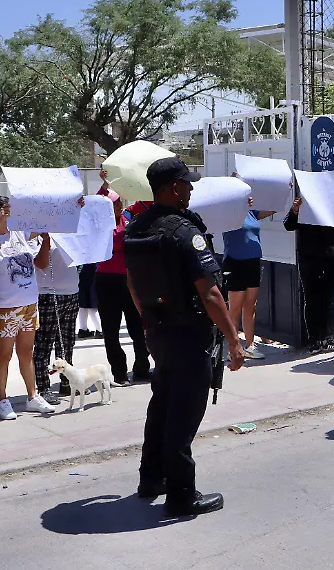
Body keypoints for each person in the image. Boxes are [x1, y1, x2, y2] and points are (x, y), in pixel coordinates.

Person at [124, 157, 244, 516]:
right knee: (184, 413)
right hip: (189, 334)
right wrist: (234, 339)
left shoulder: (137, 227)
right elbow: (209, 293)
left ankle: (151, 478)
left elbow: (132, 283)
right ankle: (181, 494)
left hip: (159, 331)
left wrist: (148, 321)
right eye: (187, 184)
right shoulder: (182, 232)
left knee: (161, 404)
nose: (191, 189)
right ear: (173, 188)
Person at [0, 195, 57, 419]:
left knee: (26, 353)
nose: (14, 214)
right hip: (4, 308)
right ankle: (2, 400)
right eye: (8, 210)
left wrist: (69, 206)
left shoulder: (19, 233)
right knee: (4, 355)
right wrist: (0, 223)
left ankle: (32, 396)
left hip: (29, 306)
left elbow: (45, 225)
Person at [95, 189, 150, 383]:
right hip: (107, 281)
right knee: (111, 330)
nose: (118, 206)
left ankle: (142, 368)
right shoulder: (101, 226)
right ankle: (119, 372)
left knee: (138, 326)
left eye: (119, 202)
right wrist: (104, 185)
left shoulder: (128, 220)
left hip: (131, 280)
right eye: (113, 203)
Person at [283, 195, 334, 352]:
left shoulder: (331, 205)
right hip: (309, 257)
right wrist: (295, 210)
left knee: (327, 299)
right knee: (311, 298)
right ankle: (314, 338)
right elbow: (288, 225)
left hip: (330, 255)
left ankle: (327, 337)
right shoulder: (304, 207)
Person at [221, 193, 276, 360]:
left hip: (253, 261)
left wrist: (282, 189)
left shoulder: (251, 212)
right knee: (235, 308)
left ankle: (250, 346)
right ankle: (234, 347)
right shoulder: (227, 214)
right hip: (235, 262)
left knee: (250, 306)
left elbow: (273, 209)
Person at [34, 235, 80, 404]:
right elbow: (40, 263)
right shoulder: (34, 236)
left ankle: (66, 381)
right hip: (48, 294)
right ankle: (43, 388)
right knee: (44, 345)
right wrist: (46, 239)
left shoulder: (69, 231)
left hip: (71, 293)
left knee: (66, 343)